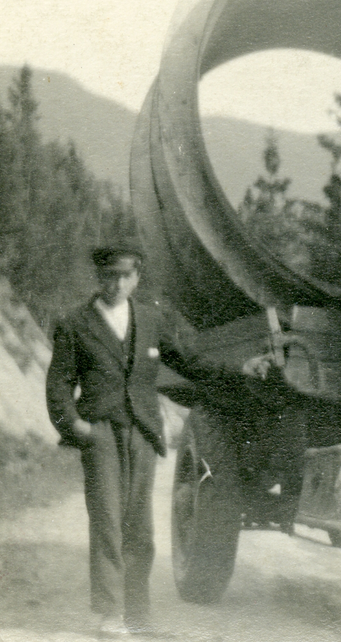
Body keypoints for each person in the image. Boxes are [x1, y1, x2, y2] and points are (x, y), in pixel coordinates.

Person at [45, 244, 222, 636]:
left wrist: (238, 369)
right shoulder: (75, 324)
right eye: (109, 275)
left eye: (125, 276)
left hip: (143, 432)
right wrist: (77, 428)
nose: (117, 283)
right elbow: (58, 385)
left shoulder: (151, 319)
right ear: (99, 277)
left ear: (137, 278)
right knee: (108, 521)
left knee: (140, 528)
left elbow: (191, 363)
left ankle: (138, 616)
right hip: (101, 433)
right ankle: (110, 614)